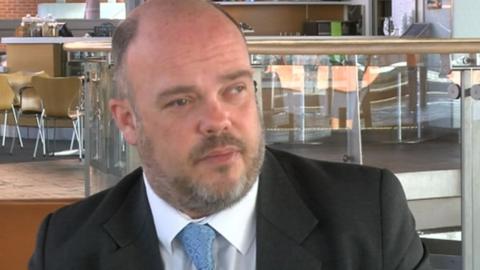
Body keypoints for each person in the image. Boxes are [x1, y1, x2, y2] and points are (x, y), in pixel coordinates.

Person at [29, 0, 432, 269]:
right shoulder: (66, 248)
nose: (218, 119)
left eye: (234, 89)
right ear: (128, 121)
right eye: (181, 101)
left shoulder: (366, 217)